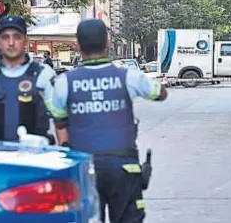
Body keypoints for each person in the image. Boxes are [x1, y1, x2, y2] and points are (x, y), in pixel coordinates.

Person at [46, 19, 168, 223]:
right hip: (124, 168)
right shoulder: (129, 76)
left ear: (77, 45)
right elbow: (161, 94)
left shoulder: (63, 83)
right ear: (108, 43)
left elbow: (60, 123)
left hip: (84, 170)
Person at [0, 16, 57, 142]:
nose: (11, 42)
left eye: (17, 36)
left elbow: (61, 119)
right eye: (5, 37)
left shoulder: (44, 74)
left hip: (36, 157)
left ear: (26, 41)